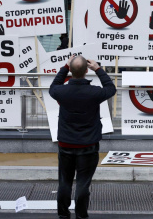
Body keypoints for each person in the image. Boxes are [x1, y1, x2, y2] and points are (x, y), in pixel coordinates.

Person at [49, 55, 116, 219]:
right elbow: (111, 88)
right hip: (88, 144)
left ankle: (63, 214)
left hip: (66, 143)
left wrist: (65, 67)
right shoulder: (94, 92)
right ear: (87, 70)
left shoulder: (61, 91)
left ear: (70, 71)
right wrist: (98, 69)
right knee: (82, 183)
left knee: (64, 181)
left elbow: (53, 86)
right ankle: (81, 215)